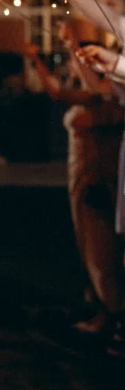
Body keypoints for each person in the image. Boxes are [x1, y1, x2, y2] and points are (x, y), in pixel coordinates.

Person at [27, 33, 125, 333]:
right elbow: (57, 90)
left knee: (100, 246)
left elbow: (69, 92)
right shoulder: (91, 94)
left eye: (79, 64)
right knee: (87, 243)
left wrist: (72, 51)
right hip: (79, 175)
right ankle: (99, 306)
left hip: (95, 176)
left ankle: (112, 313)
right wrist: (36, 59)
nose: (73, 68)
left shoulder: (103, 98)